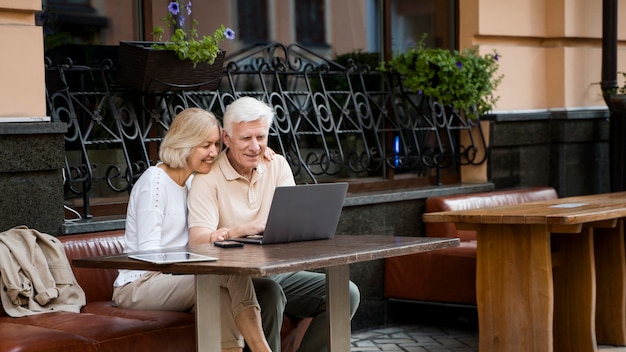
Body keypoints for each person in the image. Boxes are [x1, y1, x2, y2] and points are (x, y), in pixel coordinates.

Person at [187, 97, 361, 352]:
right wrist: (244, 229)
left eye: (261, 137)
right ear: (226, 138)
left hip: (276, 267)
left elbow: (291, 222)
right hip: (234, 277)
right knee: (268, 292)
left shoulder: (276, 164)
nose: (255, 146)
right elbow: (198, 240)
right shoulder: (208, 178)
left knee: (346, 293)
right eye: (246, 138)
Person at [112, 107, 272, 352]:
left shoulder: (191, 182)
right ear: (184, 144)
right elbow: (148, 256)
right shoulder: (154, 181)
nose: (214, 152)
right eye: (205, 145)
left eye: (217, 144)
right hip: (140, 283)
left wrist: (261, 153)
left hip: (175, 278)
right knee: (228, 275)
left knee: (221, 296)